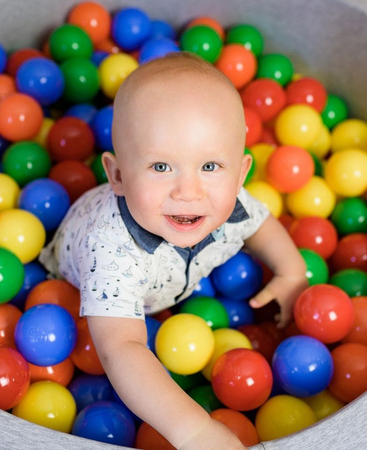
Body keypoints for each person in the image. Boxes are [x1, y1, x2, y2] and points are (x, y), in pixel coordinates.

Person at [40, 52, 308, 449]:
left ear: (240, 175)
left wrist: (292, 274)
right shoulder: (111, 250)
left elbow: (261, 226)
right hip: (79, 287)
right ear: (117, 175)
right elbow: (122, 348)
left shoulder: (231, 203)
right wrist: (194, 429)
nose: (189, 192)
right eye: (162, 167)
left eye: (211, 166)